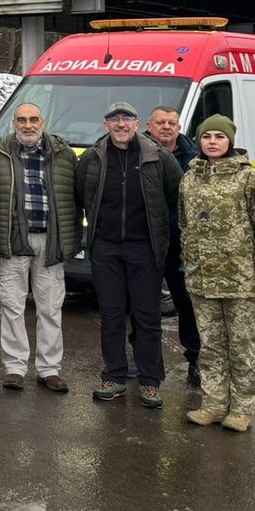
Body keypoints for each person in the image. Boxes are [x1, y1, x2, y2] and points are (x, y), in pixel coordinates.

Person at [76, 100, 182, 408]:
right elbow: (81, 195)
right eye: (115, 119)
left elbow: (176, 197)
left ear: (138, 125)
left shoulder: (159, 158)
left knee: (147, 317)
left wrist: (162, 236)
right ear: (106, 124)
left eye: (128, 119)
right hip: (106, 248)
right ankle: (114, 377)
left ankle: (150, 382)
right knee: (111, 316)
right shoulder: (93, 159)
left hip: (145, 249)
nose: (121, 124)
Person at [179, 115, 255, 432]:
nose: (212, 141)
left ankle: (242, 409)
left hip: (241, 280)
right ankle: (213, 404)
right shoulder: (190, 179)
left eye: (219, 137)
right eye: (207, 136)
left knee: (242, 348)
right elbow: (185, 226)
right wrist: (190, 262)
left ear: (230, 141)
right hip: (202, 280)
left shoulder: (249, 179)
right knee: (210, 347)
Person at [0, 102, 79, 393]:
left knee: (51, 307)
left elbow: (76, 198)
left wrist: (73, 239)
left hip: (50, 240)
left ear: (43, 122)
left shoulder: (63, 155)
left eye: (34, 119)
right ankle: (15, 368)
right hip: (13, 240)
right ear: (13, 123)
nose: (28, 125)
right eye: (22, 120)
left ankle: (49, 369)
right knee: (11, 305)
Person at [146, 106, 203, 388]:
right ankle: (144, 361)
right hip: (146, 244)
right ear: (149, 125)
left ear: (179, 127)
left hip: (182, 247)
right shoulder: (136, 151)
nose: (166, 127)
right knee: (142, 306)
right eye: (160, 122)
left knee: (188, 304)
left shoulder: (195, 158)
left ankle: (196, 360)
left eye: (172, 123)